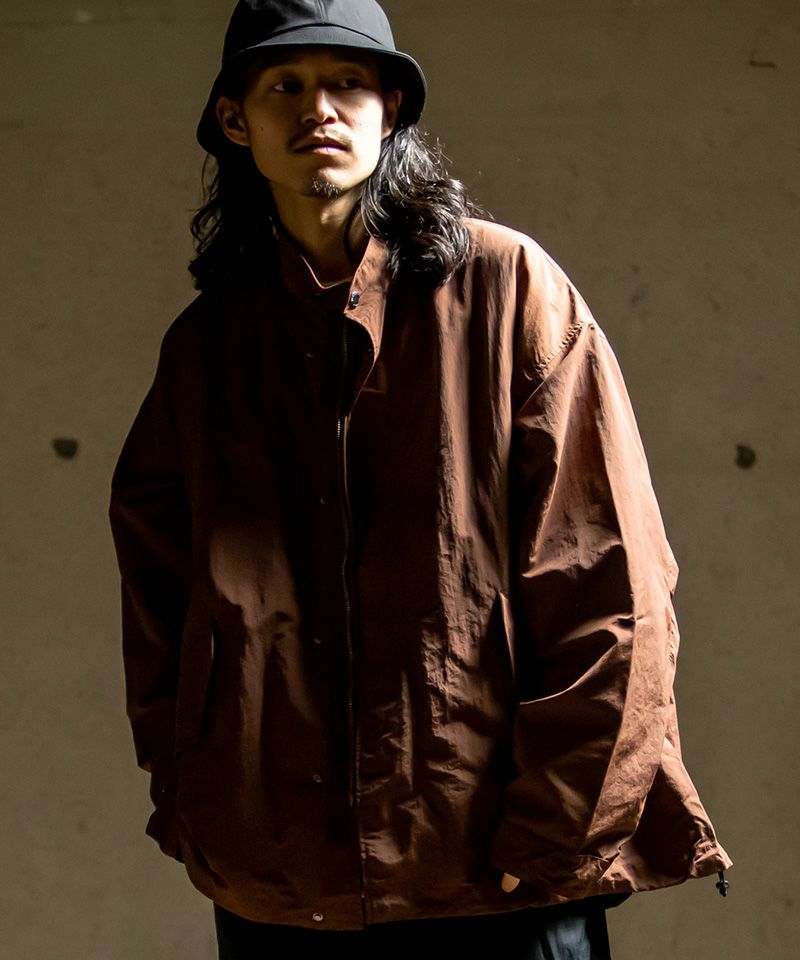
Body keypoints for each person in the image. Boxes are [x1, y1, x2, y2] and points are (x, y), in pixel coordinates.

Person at [108, 1, 731, 957]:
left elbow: (614, 584)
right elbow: (158, 596)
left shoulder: (509, 289)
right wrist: (198, 798)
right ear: (236, 119)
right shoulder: (207, 348)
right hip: (285, 885)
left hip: (498, 879)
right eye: (285, 86)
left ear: (390, 109)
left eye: (348, 83)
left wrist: (555, 832)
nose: (319, 107)